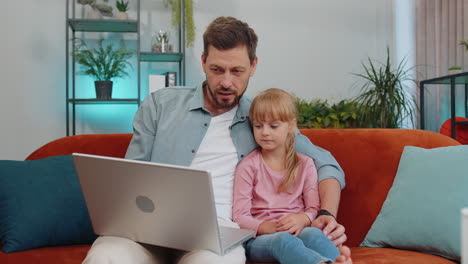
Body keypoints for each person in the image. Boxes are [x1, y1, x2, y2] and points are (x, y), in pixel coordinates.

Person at [83, 16, 347, 264]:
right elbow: (130, 175)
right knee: (106, 256)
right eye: (217, 69)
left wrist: (325, 215)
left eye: (237, 71)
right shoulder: (161, 105)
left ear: (254, 66)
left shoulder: (262, 119)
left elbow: (326, 165)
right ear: (203, 61)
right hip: (146, 233)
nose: (226, 82)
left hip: (217, 238)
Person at [233, 88, 350, 264]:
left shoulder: (305, 164)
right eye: (258, 126)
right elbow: (239, 217)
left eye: (273, 126)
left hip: (297, 230)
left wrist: (301, 219)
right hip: (260, 240)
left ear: (291, 126)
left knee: (313, 233)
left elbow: (313, 209)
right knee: (283, 240)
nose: (264, 132)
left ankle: (338, 260)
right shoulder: (248, 166)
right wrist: (269, 227)